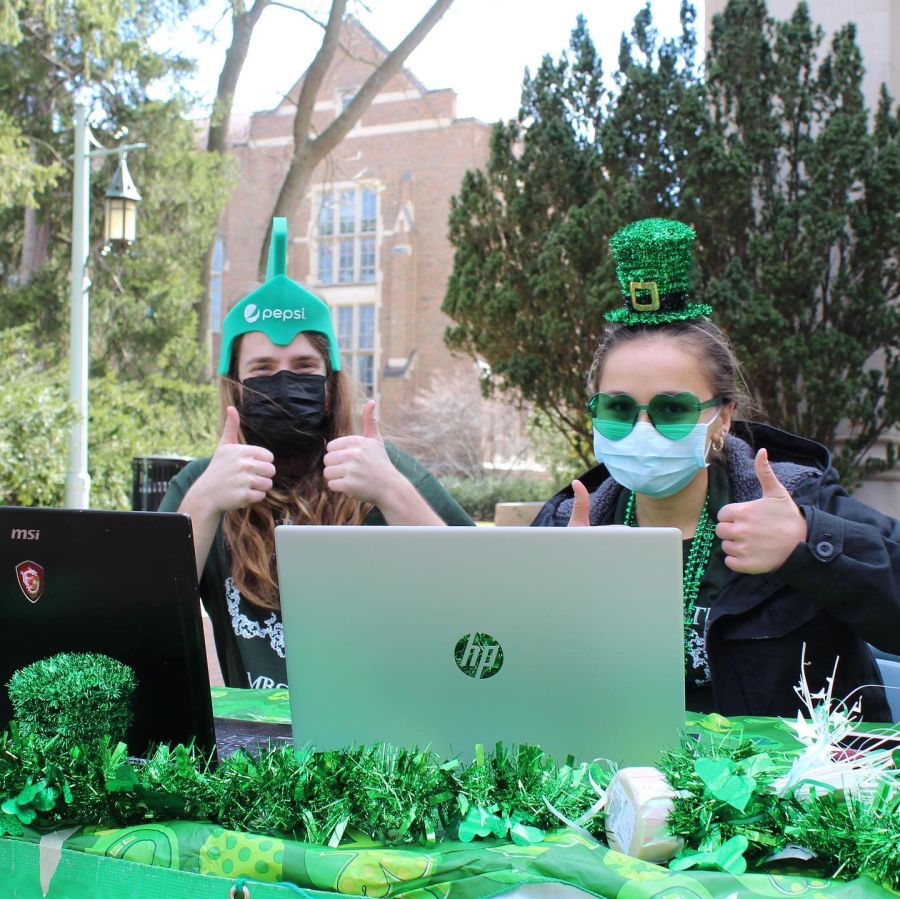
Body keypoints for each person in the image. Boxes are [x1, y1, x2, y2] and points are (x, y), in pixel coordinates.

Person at [531, 218, 900, 721]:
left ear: (721, 417)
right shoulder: (566, 525)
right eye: (617, 410)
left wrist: (808, 543)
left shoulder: (799, 501)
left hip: (790, 789)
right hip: (623, 784)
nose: (643, 430)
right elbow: (496, 664)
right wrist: (551, 596)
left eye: (672, 409)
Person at [160, 219, 473, 689]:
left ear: (329, 385)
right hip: (248, 747)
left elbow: (479, 597)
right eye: (262, 369)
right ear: (236, 388)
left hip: (376, 745)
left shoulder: (386, 475)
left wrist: (393, 493)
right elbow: (151, 615)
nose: (284, 382)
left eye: (304, 366)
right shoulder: (200, 486)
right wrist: (203, 503)